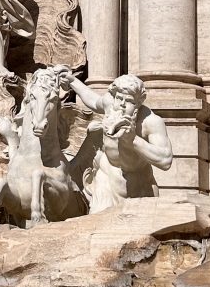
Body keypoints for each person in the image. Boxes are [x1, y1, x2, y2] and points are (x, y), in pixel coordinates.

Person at [61, 71, 173, 213]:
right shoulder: (110, 104)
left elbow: (165, 160)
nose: (122, 105)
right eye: (119, 98)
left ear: (139, 102)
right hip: (106, 180)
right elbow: (93, 100)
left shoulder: (150, 122)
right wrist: (72, 81)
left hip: (137, 186)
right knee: (98, 225)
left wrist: (133, 140)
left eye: (130, 101)